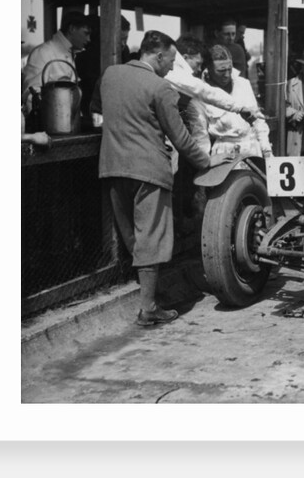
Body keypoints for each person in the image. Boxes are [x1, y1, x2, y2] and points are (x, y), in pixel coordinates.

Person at [97, 30, 230, 326]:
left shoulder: (110, 75)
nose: (171, 69)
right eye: (170, 62)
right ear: (157, 56)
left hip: (112, 167)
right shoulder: (162, 88)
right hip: (148, 171)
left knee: (132, 235)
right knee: (152, 237)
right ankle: (148, 307)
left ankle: (148, 293)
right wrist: (206, 161)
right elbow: (181, 139)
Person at [202, 44, 273, 158]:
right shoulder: (203, 93)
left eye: (229, 69)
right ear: (209, 69)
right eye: (221, 71)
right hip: (223, 154)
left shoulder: (243, 84)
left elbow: (258, 121)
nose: (226, 75)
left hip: (252, 150)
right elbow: (201, 137)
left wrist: (266, 149)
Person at [22, 11, 92, 94]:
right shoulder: (43, 53)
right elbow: (32, 94)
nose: (88, 39)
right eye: (86, 33)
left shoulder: (71, 53)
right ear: (72, 28)